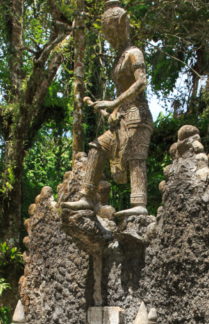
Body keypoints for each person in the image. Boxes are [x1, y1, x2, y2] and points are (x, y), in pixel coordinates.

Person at [61, 0, 153, 220]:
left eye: (111, 33)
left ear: (121, 28)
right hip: (121, 116)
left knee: (135, 155)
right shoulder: (119, 57)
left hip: (138, 115)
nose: (110, 39)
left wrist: (113, 103)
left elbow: (141, 83)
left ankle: (139, 203)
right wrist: (111, 110)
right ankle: (86, 196)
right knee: (97, 147)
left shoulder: (134, 53)